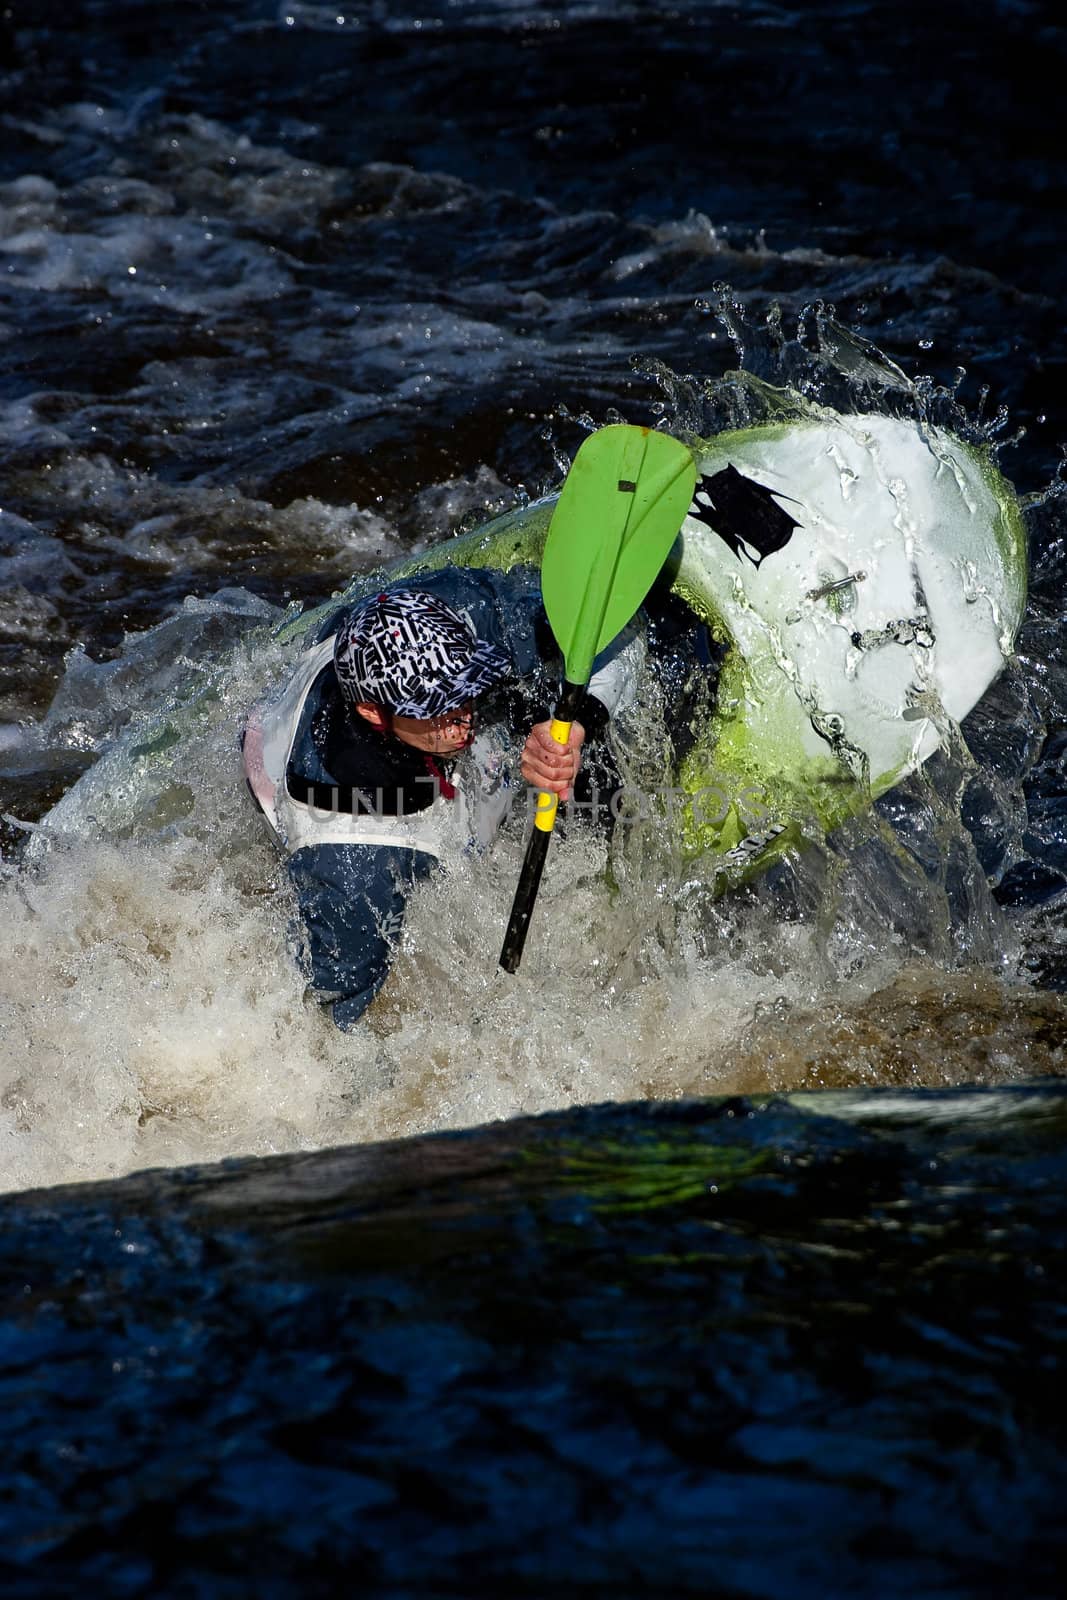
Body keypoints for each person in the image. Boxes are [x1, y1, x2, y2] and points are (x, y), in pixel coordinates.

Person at [242, 563, 647, 1029]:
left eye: (466, 687)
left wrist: (577, 727)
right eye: (435, 707)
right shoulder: (352, 865)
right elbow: (326, 1030)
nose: (463, 721)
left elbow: (619, 633)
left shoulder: (450, 610)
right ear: (372, 711)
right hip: (356, 825)